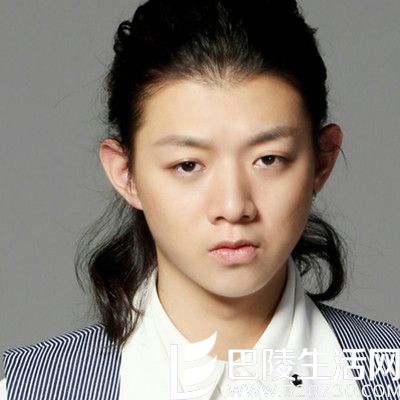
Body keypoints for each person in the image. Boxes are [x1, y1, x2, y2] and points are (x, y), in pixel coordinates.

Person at [1, 0, 399, 399]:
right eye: (188, 165)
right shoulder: (21, 389)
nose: (233, 206)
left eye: (268, 159)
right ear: (126, 173)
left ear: (322, 160)